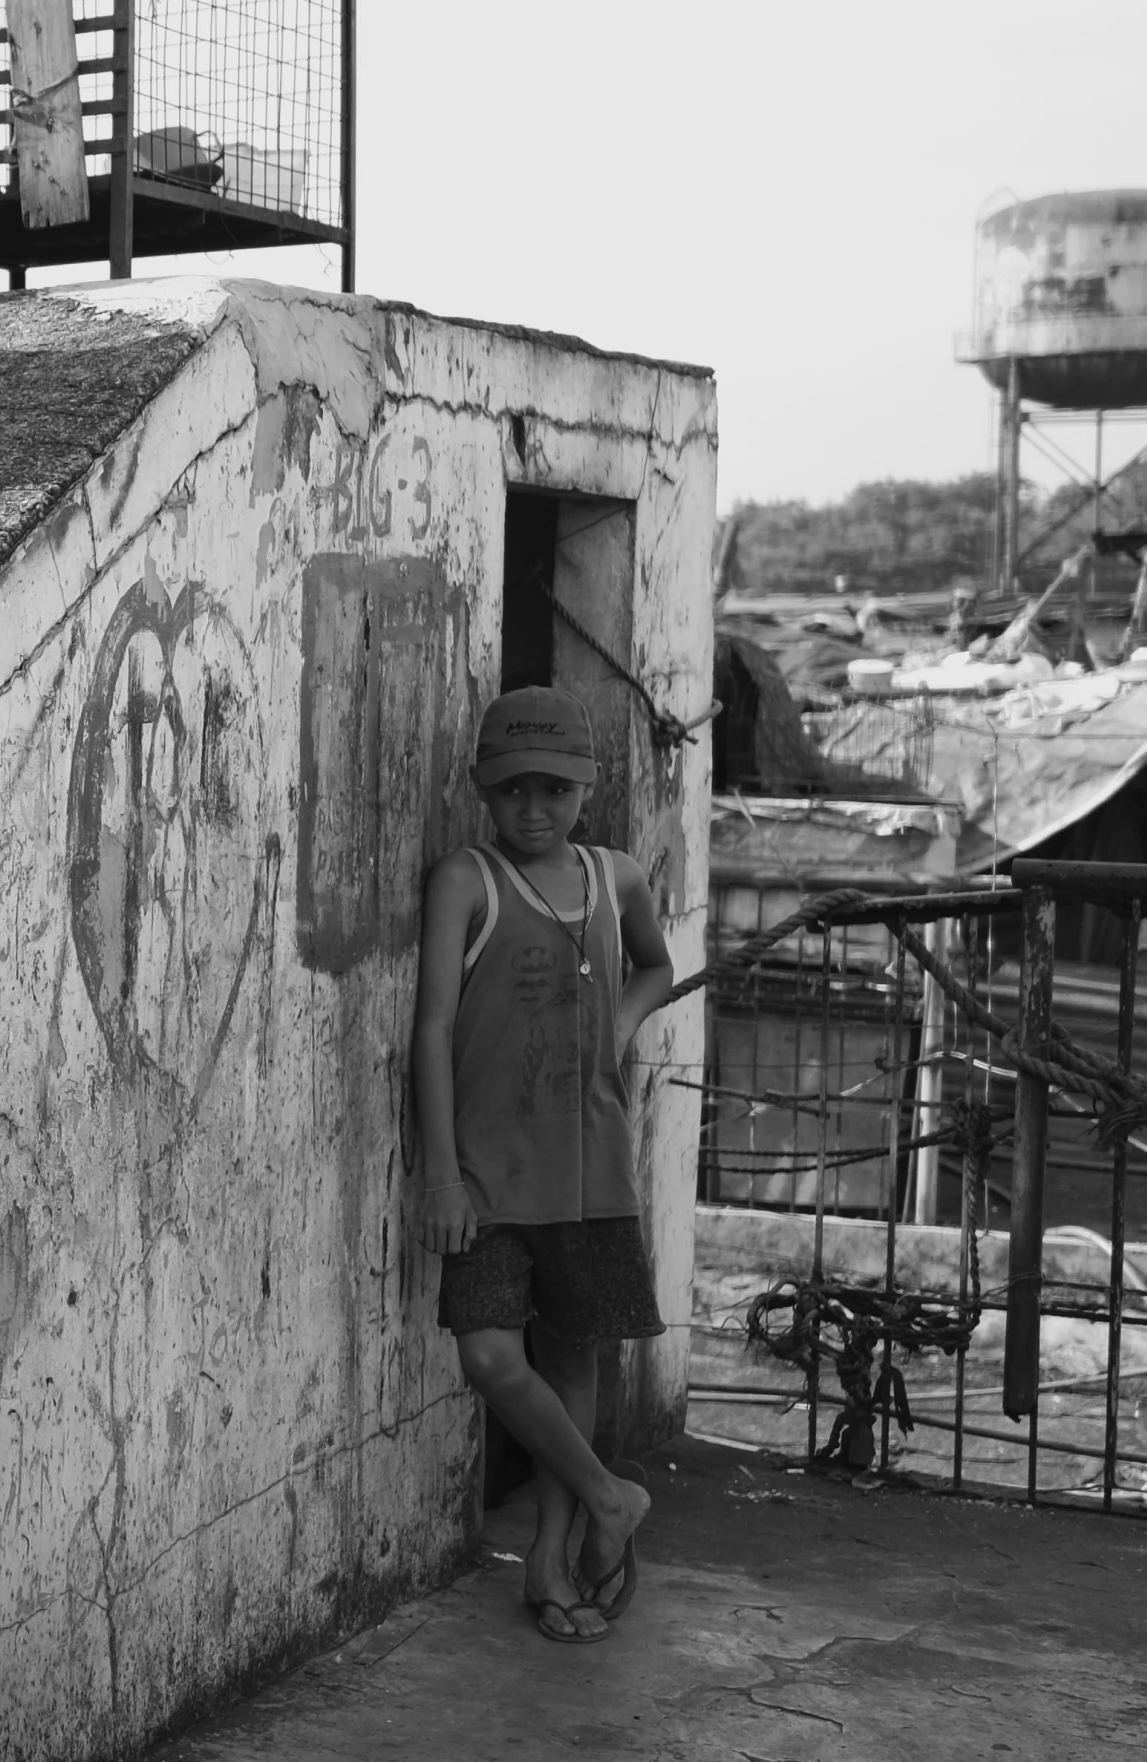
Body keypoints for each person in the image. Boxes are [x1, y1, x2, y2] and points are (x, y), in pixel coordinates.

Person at [412, 685, 676, 1643]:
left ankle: (551, 1565)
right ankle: (612, 1497)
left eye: (554, 791)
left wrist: (622, 1016)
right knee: (490, 1354)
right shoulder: (466, 880)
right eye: (514, 790)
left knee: (573, 1353)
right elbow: (433, 1029)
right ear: (486, 792)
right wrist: (441, 1177)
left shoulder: (619, 879)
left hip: (591, 1166)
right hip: (487, 1174)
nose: (533, 809)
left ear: (585, 790)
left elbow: (655, 964)